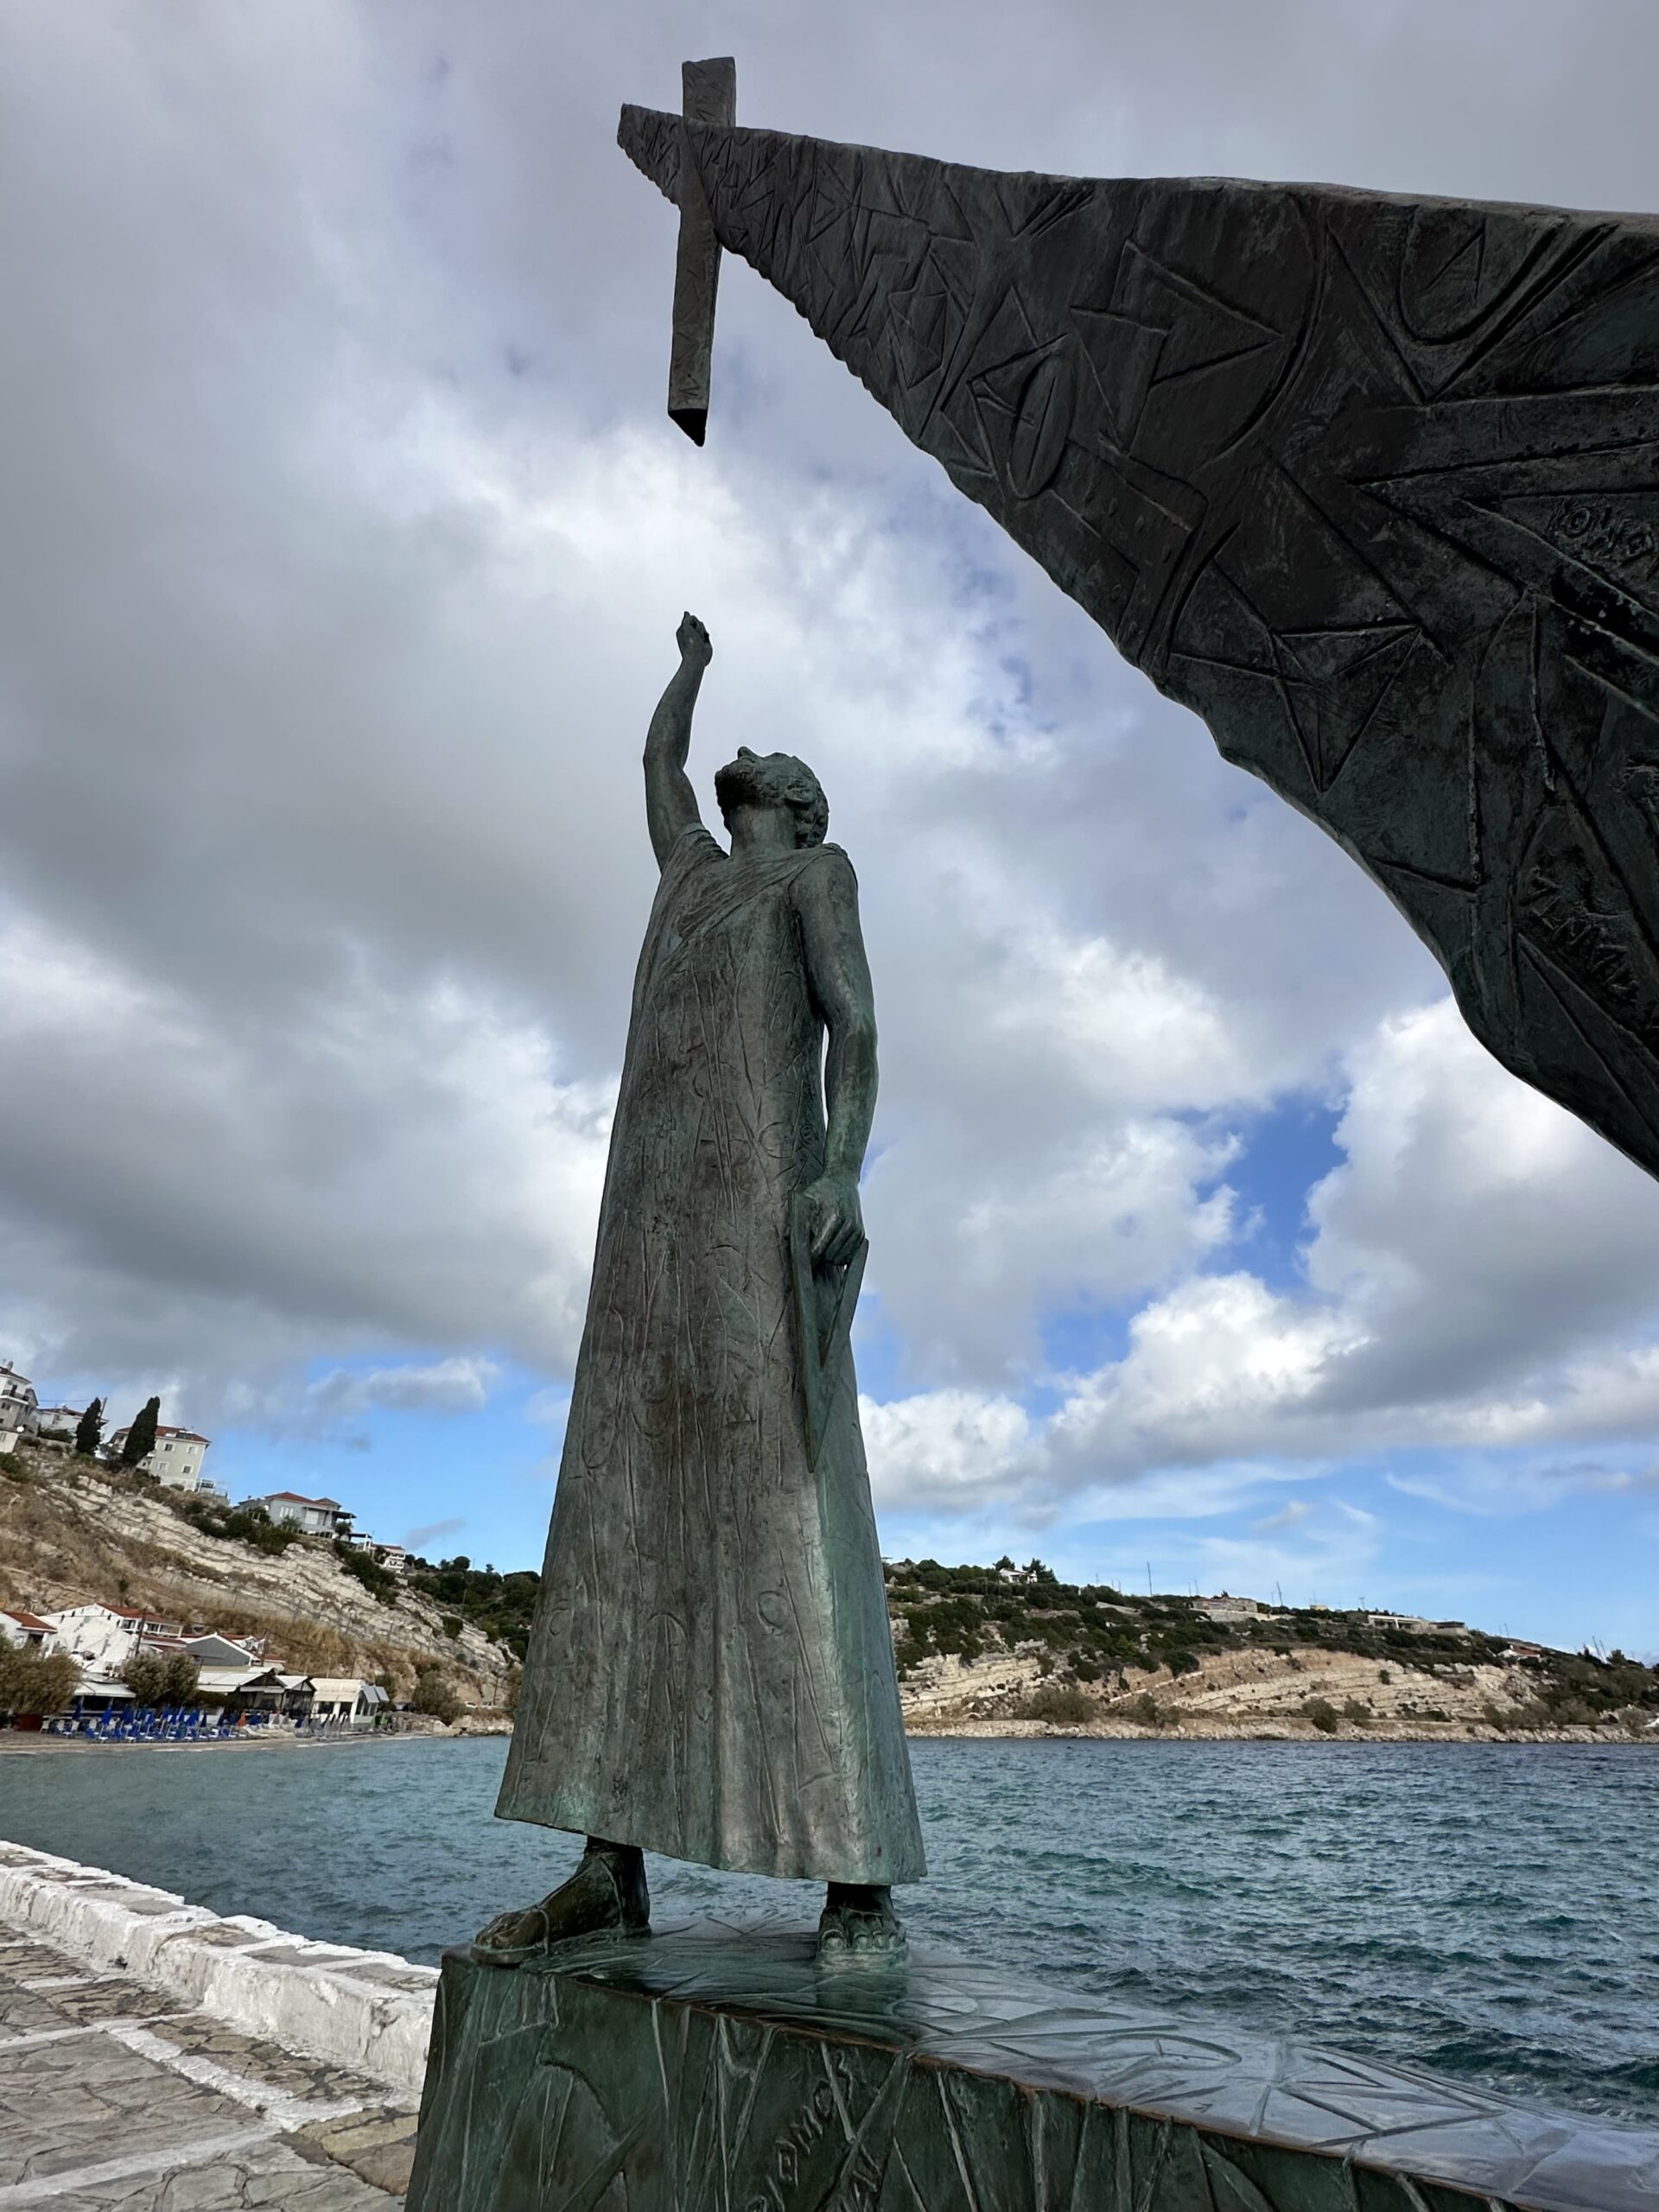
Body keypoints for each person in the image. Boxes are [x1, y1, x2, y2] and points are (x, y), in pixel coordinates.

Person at [480, 613, 924, 1964]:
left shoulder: (816, 875)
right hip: (650, 1224)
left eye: (764, 766)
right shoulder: (689, 872)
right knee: (621, 1519)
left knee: (784, 1495)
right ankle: (606, 1865)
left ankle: (855, 1878)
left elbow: (857, 1028)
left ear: (798, 802)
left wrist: (841, 1171)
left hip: (754, 1206)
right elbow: (658, 770)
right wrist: (688, 672)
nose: (741, 766)